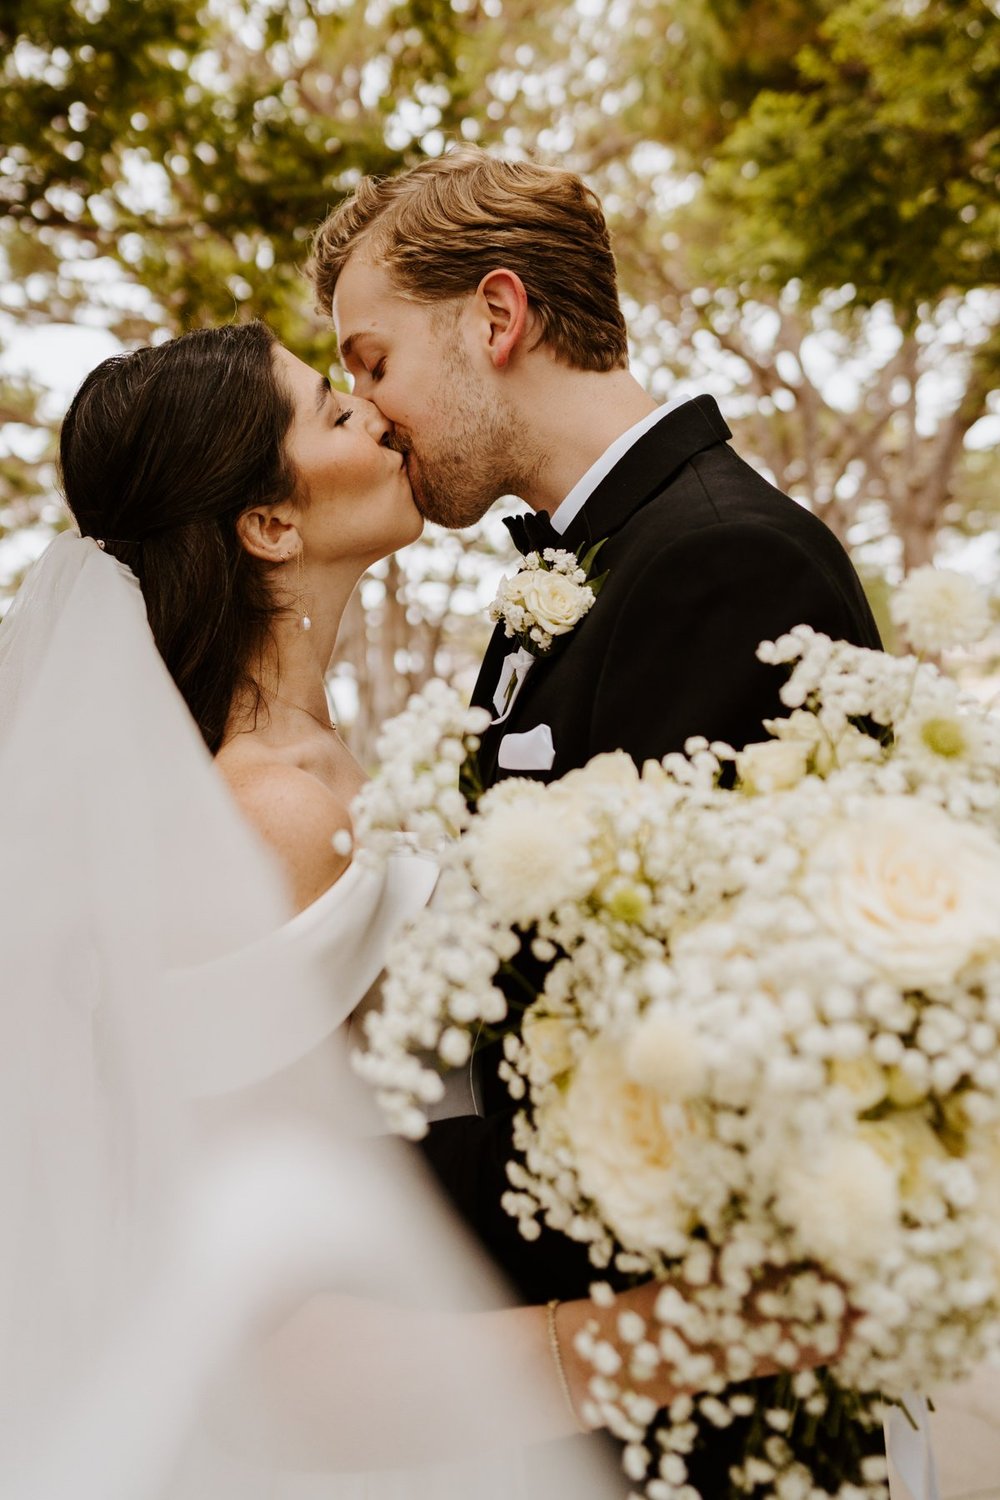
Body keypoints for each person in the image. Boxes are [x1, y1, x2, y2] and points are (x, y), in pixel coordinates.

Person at [3, 319, 796, 1499]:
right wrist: (717, 1332)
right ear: (269, 525)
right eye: (333, 408)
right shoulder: (270, 814)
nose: (376, 413)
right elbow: (275, 1339)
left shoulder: (322, 766)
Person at [307, 147, 887, 1493]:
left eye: (374, 360)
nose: (368, 412)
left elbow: (693, 1076)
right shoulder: (576, 572)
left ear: (496, 319)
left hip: (688, 1406)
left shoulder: (724, 559)